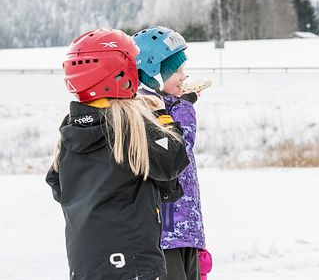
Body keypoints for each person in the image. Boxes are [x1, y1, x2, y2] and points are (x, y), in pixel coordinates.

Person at [46, 28, 189, 280]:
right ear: (123, 72)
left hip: (85, 263)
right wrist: (161, 118)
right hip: (133, 261)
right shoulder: (129, 122)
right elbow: (171, 163)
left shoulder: (69, 129)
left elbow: (58, 185)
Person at [133, 26, 208, 280]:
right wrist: (186, 107)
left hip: (184, 229)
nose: (183, 76)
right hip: (167, 231)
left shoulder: (170, 103)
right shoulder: (147, 107)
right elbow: (178, 150)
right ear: (153, 75)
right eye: (176, 71)